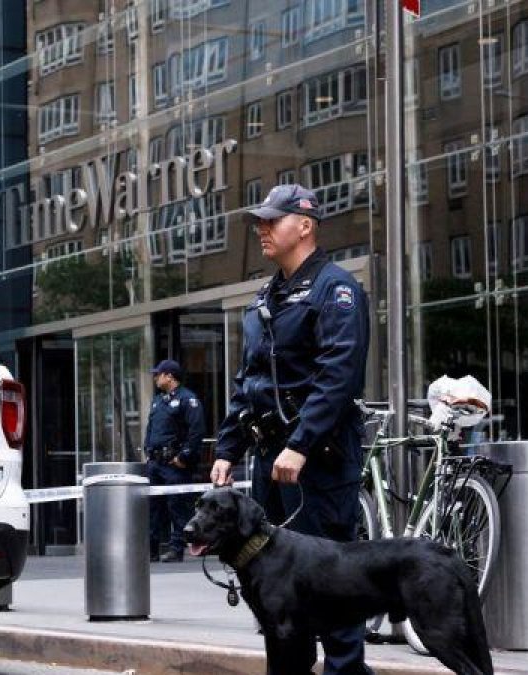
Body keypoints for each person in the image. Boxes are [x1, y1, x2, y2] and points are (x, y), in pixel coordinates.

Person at [210, 184, 371, 675]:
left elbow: (337, 377)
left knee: (331, 582)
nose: (261, 229)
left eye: (270, 221)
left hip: (315, 460)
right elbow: (249, 381)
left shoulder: (336, 290)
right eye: (259, 221)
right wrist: (227, 447)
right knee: (276, 591)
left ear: (304, 225)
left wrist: (300, 444)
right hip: (268, 458)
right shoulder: (266, 298)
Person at [144, 359, 205, 563]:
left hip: (174, 464)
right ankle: (151, 549)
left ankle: (176, 548)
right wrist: (147, 451)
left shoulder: (188, 400)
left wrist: (184, 457)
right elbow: (150, 429)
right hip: (155, 463)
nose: (155, 378)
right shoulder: (158, 401)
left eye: (158, 374)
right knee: (153, 508)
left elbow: (196, 431)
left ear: (169, 376)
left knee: (177, 507)